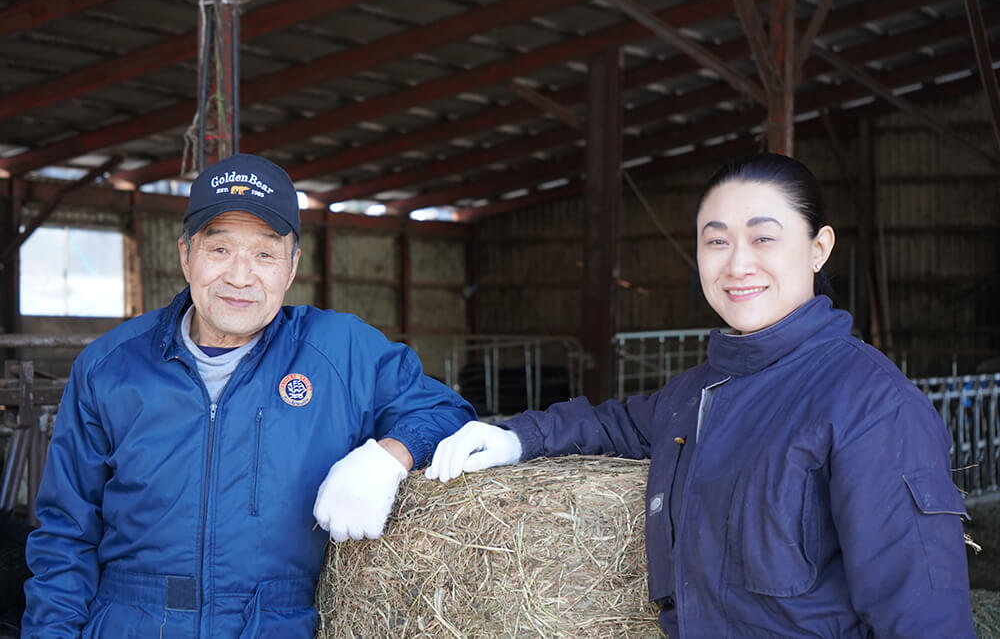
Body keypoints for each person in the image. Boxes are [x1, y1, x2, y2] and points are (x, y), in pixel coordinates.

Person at [426, 152, 975, 638]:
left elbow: (923, 618)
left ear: (818, 248)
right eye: (716, 240)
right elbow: (617, 424)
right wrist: (514, 438)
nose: (737, 263)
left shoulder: (872, 406)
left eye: (764, 237)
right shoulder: (698, 392)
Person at [22, 153, 475, 637]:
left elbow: (445, 410)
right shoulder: (109, 368)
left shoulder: (341, 352)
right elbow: (65, 536)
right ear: (185, 255)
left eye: (265, 254)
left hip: (275, 624)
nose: (240, 276)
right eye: (219, 250)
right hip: (132, 621)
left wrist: (390, 456)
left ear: (292, 265)